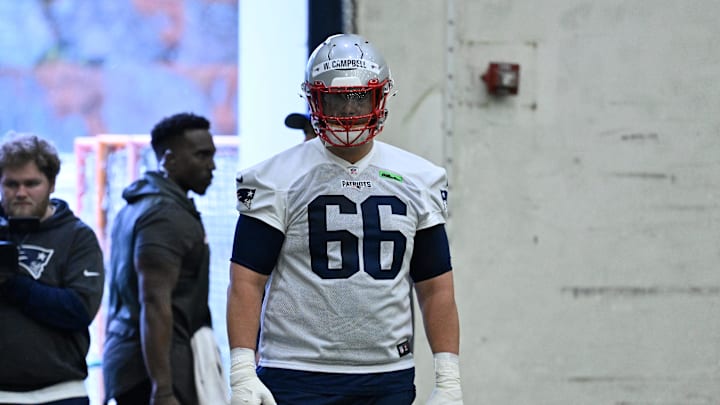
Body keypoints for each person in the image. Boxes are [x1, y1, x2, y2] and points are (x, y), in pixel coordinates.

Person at [227, 33, 463, 404]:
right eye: (337, 98)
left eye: (359, 97)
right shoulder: (276, 177)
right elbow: (246, 280)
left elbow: (435, 286)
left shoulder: (420, 179)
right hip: (296, 371)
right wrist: (241, 368)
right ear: (314, 99)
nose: (350, 111)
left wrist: (449, 379)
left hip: (387, 374)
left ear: (380, 97)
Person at [103, 113, 218, 405]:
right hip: (152, 373)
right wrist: (163, 389)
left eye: (212, 155)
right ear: (168, 159)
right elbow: (154, 302)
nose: (212, 165)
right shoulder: (164, 216)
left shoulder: (137, 205)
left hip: (134, 366)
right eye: (202, 156)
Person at [0, 132, 105, 405]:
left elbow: (78, 310)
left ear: (52, 184)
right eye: (11, 184)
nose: (21, 193)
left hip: (61, 393)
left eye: (31, 183)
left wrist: (11, 284)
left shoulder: (77, 237)